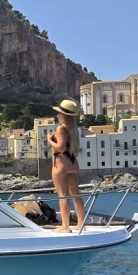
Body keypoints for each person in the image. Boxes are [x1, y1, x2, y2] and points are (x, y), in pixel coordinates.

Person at [47, 99, 86, 232]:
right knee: (76, 195)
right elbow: (73, 149)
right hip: (73, 163)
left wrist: (49, 140)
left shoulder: (60, 129)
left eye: (59, 113)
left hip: (61, 164)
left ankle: (65, 226)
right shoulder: (75, 130)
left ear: (64, 115)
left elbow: (61, 148)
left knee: (63, 195)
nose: (57, 115)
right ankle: (81, 224)